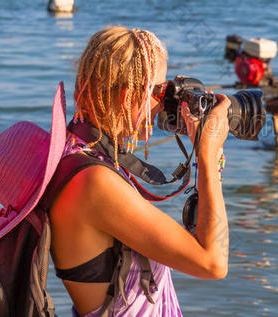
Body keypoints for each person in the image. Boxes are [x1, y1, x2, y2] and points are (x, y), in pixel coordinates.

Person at [49, 26, 230, 316]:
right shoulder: (95, 182)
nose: (165, 101)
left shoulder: (78, 155)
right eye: (159, 91)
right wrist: (208, 157)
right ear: (128, 97)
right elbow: (213, 263)